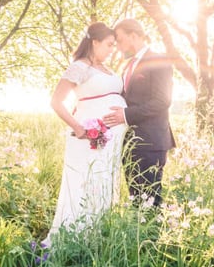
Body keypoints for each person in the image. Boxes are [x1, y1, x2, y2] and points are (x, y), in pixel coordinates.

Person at [44, 22, 128, 242]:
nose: (112, 50)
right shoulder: (80, 67)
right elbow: (56, 101)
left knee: (103, 183)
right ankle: (75, 236)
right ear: (95, 42)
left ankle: (98, 235)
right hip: (89, 139)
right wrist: (78, 127)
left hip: (111, 142)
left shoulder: (108, 69)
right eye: (109, 45)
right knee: (85, 182)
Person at [103, 19, 175, 208]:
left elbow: (162, 101)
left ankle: (152, 238)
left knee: (150, 202)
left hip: (151, 143)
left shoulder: (159, 61)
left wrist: (125, 115)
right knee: (136, 200)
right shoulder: (128, 66)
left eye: (119, 40)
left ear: (133, 36)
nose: (118, 46)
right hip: (131, 142)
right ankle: (139, 236)